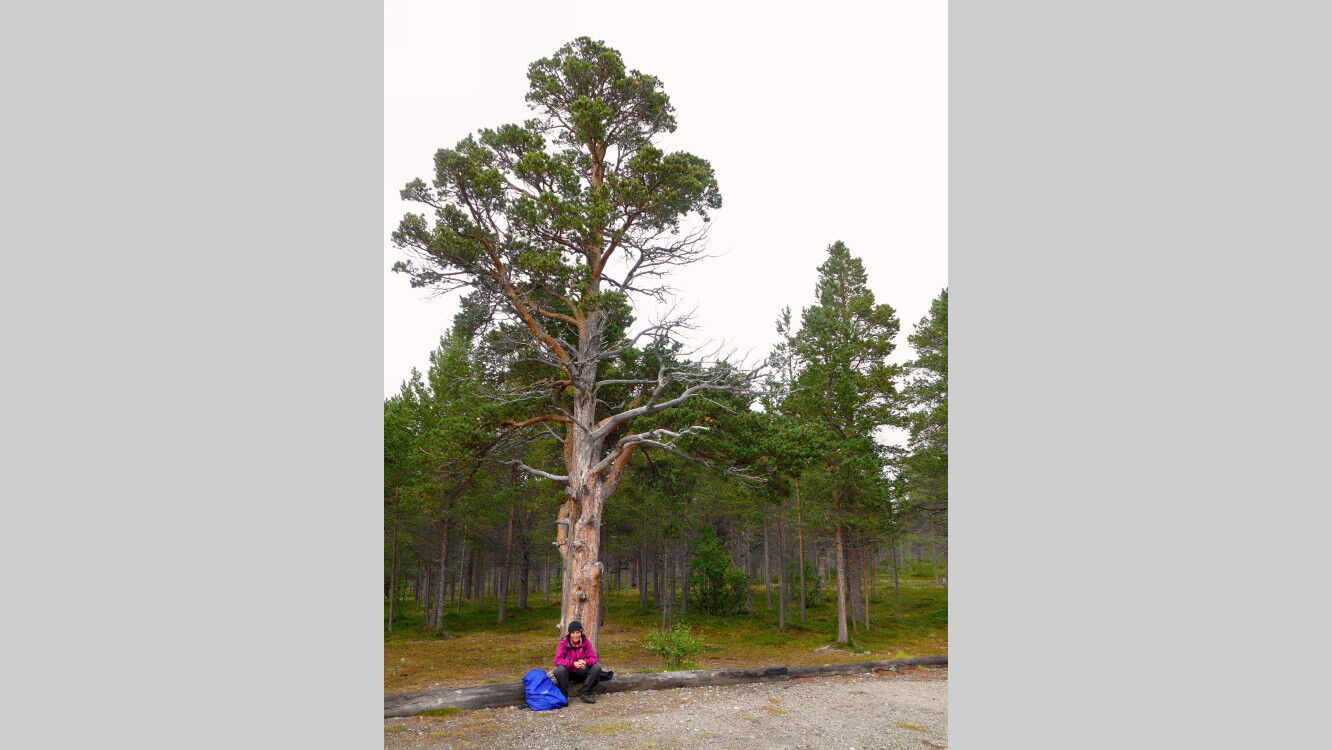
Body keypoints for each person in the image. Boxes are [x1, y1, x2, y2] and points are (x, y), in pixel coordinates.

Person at [551, 620, 609, 703]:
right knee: (559, 670)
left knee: (597, 667)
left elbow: (594, 658)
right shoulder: (563, 643)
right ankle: (563, 695)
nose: (575, 635)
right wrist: (573, 664)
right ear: (569, 634)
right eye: (573, 633)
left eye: (578, 632)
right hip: (568, 673)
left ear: (581, 633)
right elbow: (557, 660)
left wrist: (586, 662)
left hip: (581, 672)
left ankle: (585, 692)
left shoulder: (585, 642)